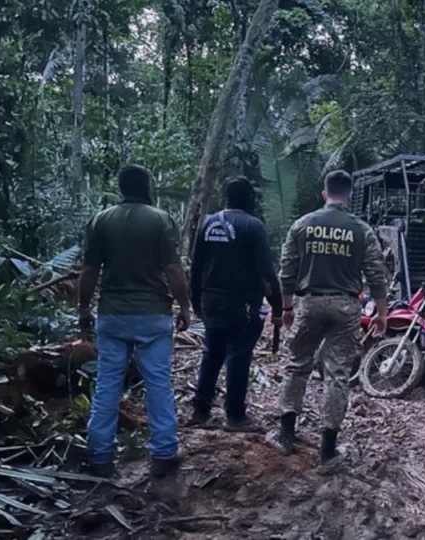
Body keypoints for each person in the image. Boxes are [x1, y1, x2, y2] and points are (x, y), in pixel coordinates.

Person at [78, 165, 191, 479]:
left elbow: (89, 270)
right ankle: (164, 453)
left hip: (112, 315)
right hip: (152, 316)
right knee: (158, 384)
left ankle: (100, 456)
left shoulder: (101, 220)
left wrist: (84, 309)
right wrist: (184, 306)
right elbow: (172, 268)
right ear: (147, 187)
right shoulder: (160, 220)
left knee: (107, 386)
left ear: (120, 187)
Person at [271, 170, 388, 466]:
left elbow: (286, 271)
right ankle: (327, 450)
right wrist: (382, 314)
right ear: (349, 195)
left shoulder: (302, 225)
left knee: (298, 366)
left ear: (324, 193)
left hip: (309, 303)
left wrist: (286, 309)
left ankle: (285, 435)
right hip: (346, 307)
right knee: (336, 375)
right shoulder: (362, 230)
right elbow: (377, 276)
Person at [188, 177, 282, 432]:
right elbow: (267, 271)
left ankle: (201, 408)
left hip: (210, 300)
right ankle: (235, 416)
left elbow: (196, 265)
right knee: (239, 355)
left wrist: (194, 299)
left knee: (212, 352)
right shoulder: (253, 226)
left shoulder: (207, 223)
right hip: (242, 303)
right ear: (249, 199)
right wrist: (278, 305)